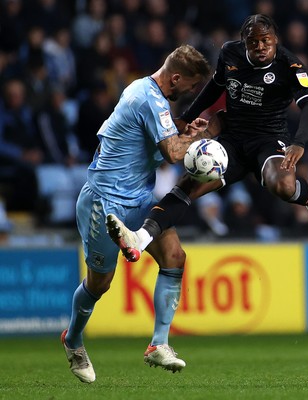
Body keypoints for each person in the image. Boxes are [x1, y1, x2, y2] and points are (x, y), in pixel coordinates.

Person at [106, 14, 308, 264]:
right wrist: (187, 116)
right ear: (244, 42)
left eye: (266, 41)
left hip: (269, 140)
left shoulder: (290, 65)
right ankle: (139, 239)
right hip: (232, 139)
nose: (260, 46)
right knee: (188, 186)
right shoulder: (230, 53)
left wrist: (300, 141)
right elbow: (215, 86)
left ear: (276, 40)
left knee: (282, 186)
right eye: (254, 41)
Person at [61, 44, 218, 384]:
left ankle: (158, 344)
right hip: (105, 202)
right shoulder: (149, 99)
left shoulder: (148, 94)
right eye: (190, 87)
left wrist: (186, 132)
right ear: (175, 78)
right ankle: (72, 340)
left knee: (175, 257)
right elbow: (174, 154)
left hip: (140, 199)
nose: (191, 93)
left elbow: (162, 137)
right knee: (99, 283)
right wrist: (201, 138)